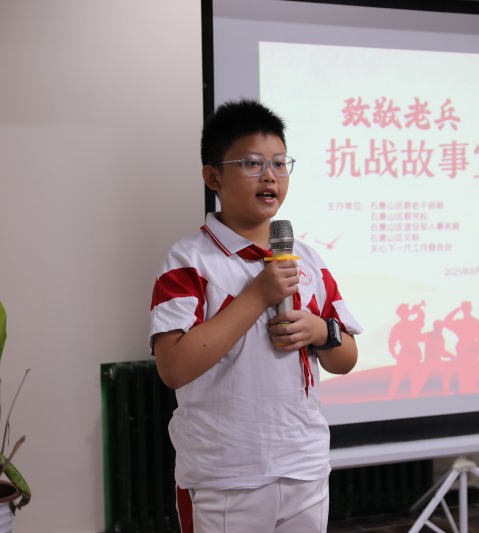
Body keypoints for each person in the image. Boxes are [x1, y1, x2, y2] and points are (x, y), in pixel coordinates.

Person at [149, 98, 362, 533]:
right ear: (213, 176)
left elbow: (346, 359)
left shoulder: (307, 259)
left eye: (280, 163)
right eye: (252, 163)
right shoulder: (189, 261)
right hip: (224, 477)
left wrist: (321, 331)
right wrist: (257, 295)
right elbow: (173, 368)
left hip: (304, 466)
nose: (270, 176)